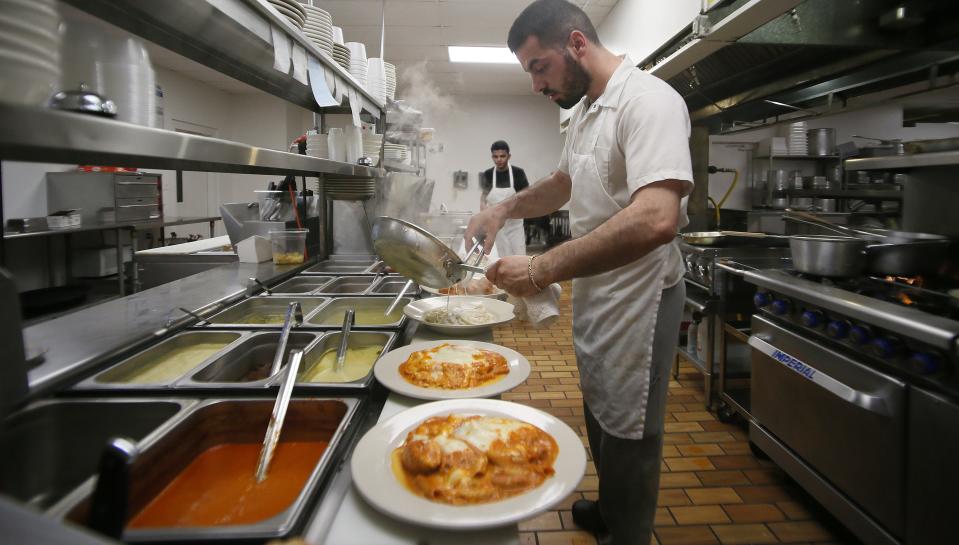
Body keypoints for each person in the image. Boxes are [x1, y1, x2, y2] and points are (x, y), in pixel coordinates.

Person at [464, 1, 693, 544]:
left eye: (540, 67)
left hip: (642, 294)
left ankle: (629, 533)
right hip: (599, 286)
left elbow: (657, 217)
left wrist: (542, 267)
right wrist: (502, 208)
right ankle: (613, 508)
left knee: (632, 425)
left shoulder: (649, 102)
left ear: (576, 43)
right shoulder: (588, 110)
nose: (537, 84)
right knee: (599, 403)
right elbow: (562, 183)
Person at [480, 140, 529, 257]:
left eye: (502, 156)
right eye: (495, 156)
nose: (499, 159)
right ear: (492, 157)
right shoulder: (488, 174)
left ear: (509, 156)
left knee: (519, 257)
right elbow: (483, 198)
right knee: (498, 258)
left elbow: (526, 197)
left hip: (515, 226)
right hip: (496, 226)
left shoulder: (518, 173)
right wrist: (484, 217)